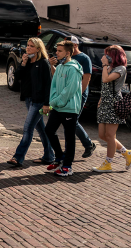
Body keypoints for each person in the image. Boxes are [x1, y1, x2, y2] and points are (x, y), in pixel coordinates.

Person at [7, 37, 53, 168]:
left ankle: (18, 157)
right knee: (41, 128)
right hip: (28, 99)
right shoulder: (27, 62)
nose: (28, 48)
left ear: (38, 49)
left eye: (31, 46)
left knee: (28, 128)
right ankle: (49, 156)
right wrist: (22, 63)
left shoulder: (44, 63)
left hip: (38, 102)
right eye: (27, 45)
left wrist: (46, 103)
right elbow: (17, 77)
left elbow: (47, 85)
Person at [50, 37, 97, 158]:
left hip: (77, 95)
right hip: (63, 96)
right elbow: (58, 77)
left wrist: (78, 96)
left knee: (72, 123)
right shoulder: (63, 59)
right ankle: (70, 151)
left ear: (75, 46)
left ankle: (86, 145)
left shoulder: (84, 59)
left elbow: (86, 79)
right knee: (64, 125)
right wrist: (52, 66)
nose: (57, 52)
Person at [93, 45, 131, 172]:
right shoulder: (109, 67)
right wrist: (100, 100)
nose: (105, 57)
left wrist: (105, 65)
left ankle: (108, 163)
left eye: (108, 55)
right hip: (104, 103)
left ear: (114, 56)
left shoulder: (121, 69)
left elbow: (106, 80)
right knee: (102, 135)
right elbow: (104, 86)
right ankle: (126, 152)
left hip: (113, 103)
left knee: (110, 135)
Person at [43, 40, 83, 177]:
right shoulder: (59, 67)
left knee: (69, 137)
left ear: (67, 52)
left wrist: (55, 102)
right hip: (57, 107)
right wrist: (52, 102)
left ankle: (67, 167)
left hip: (69, 108)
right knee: (49, 130)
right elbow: (53, 86)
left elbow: (69, 91)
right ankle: (59, 157)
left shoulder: (74, 69)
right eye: (56, 50)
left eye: (59, 51)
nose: (56, 53)